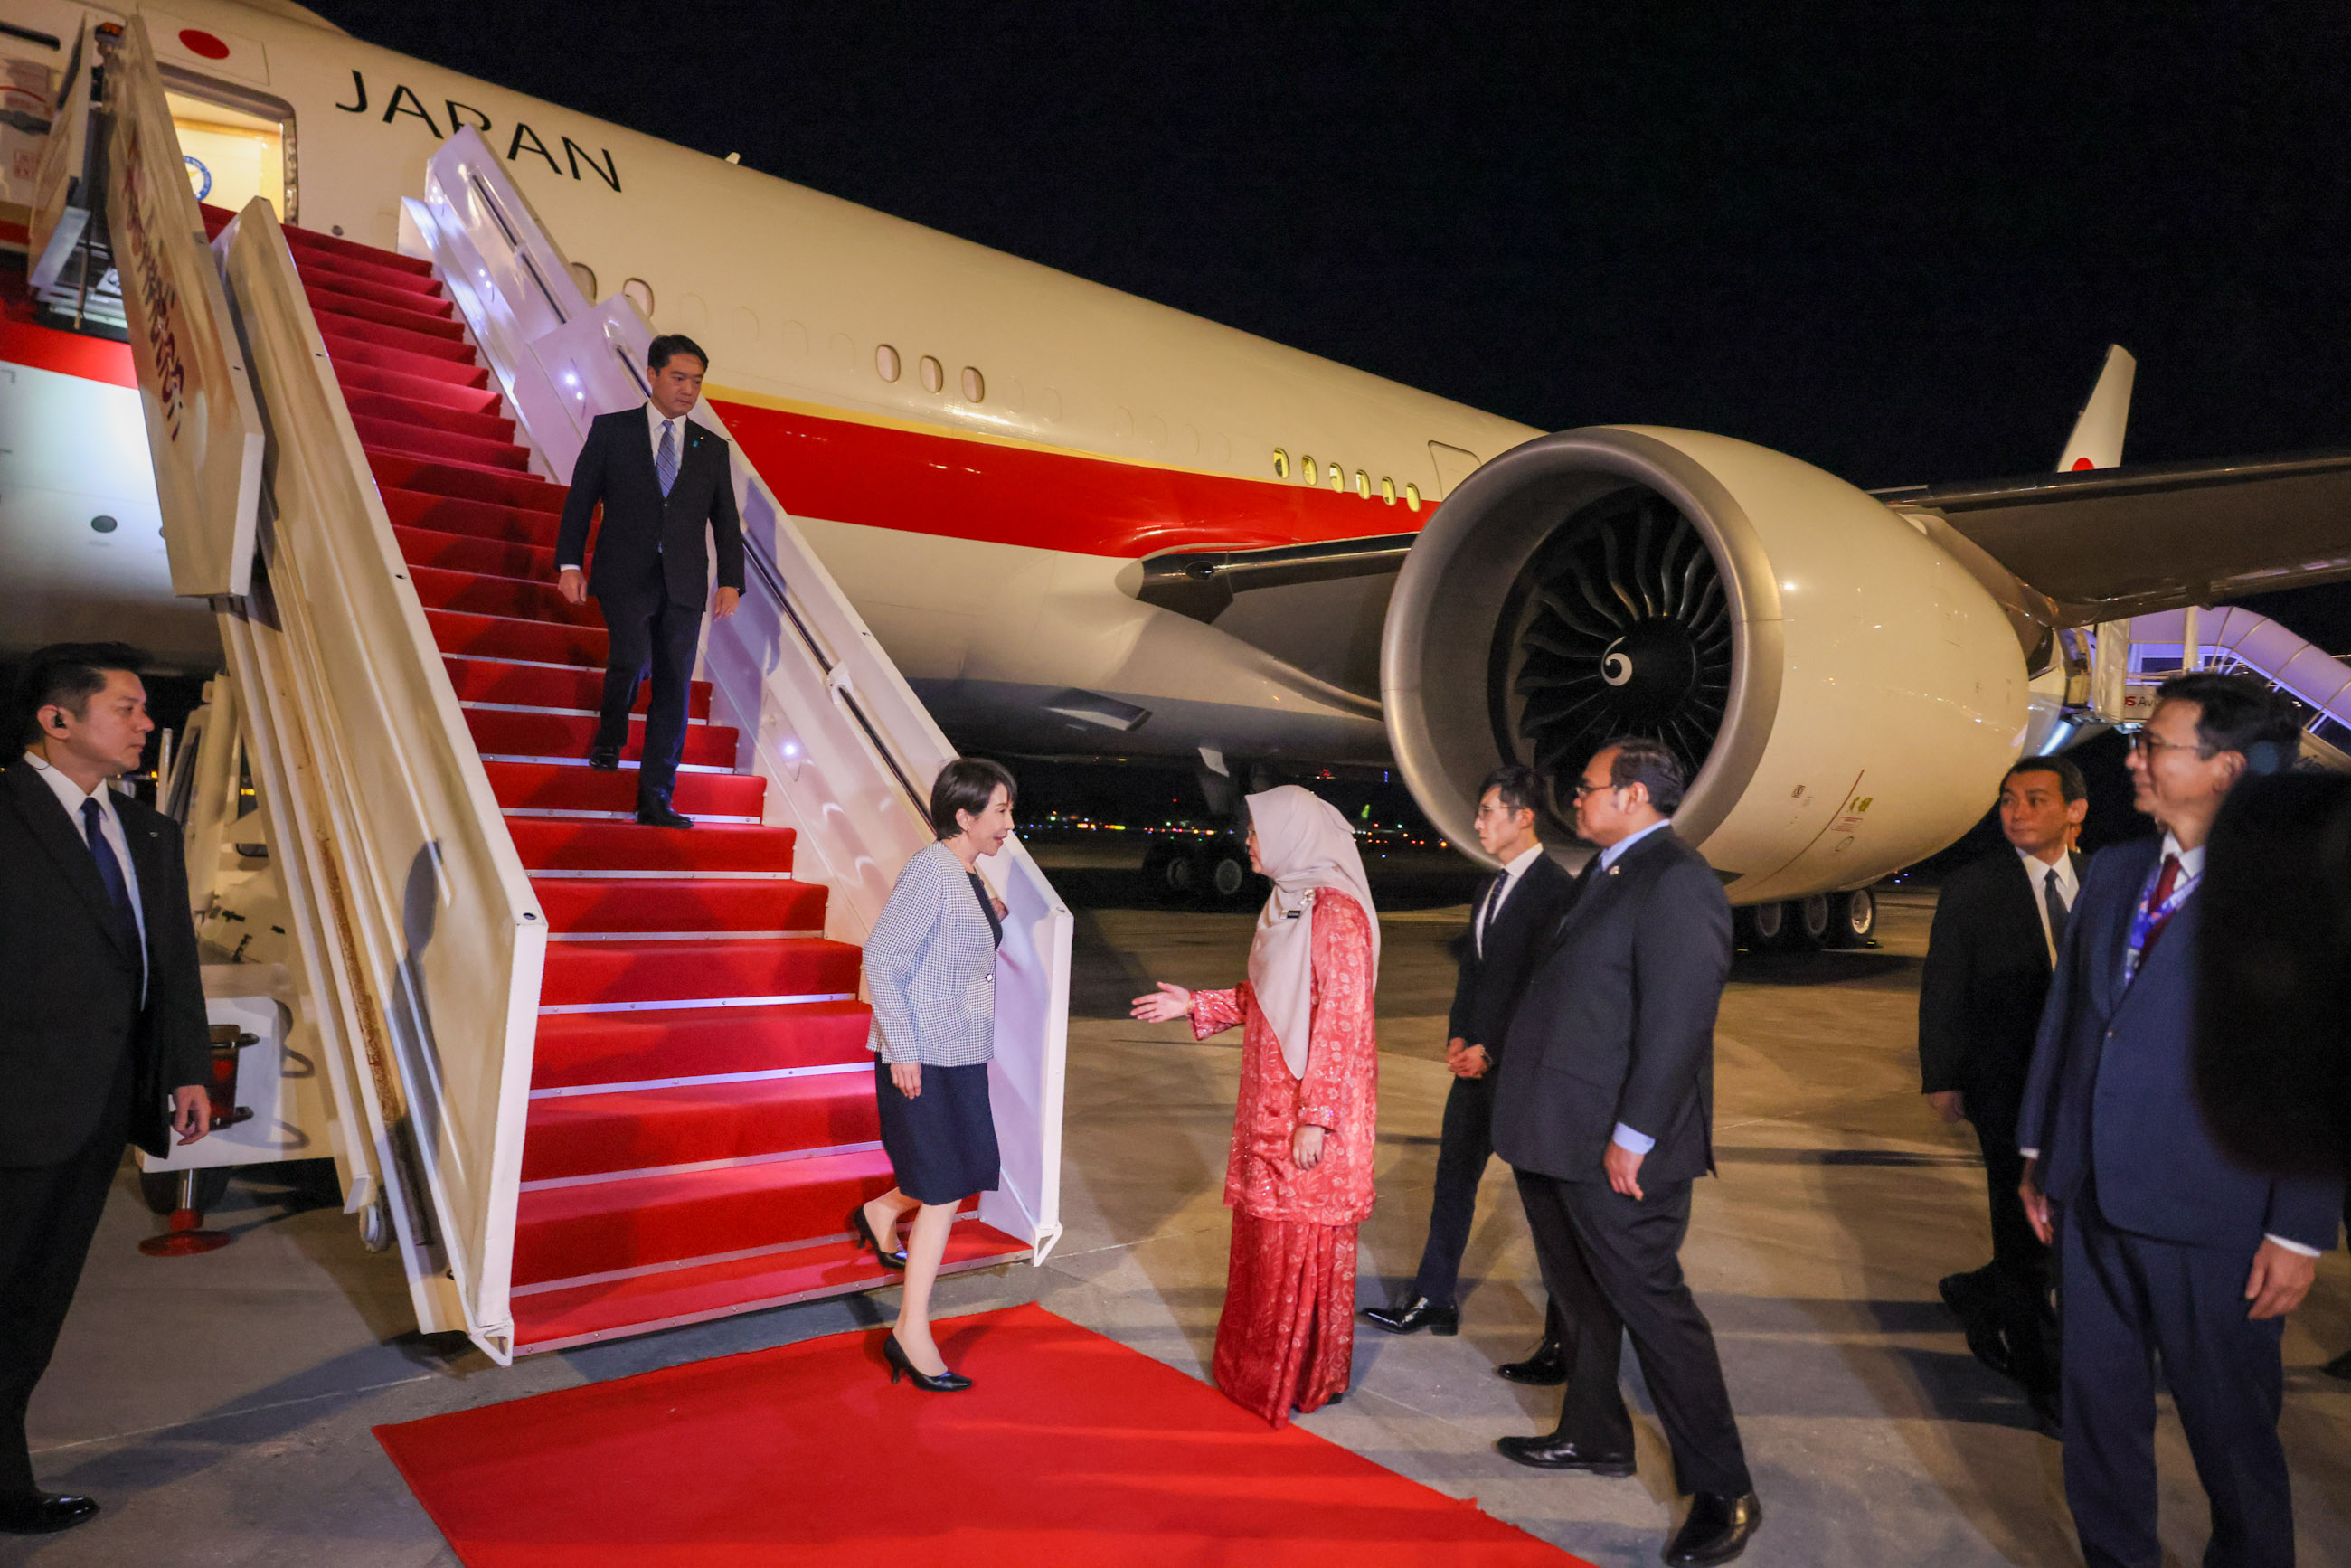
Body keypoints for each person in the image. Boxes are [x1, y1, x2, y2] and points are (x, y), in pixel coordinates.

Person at [2019, 672, 2342, 1568]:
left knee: (2230, 1440)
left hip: (2218, 1219)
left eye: (2154, 745)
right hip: (2089, 1200)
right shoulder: (2118, 869)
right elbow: (2072, 1021)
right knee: (2097, 1423)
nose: (2134, 760)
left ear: (2223, 770)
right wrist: (2040, 1150)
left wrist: (2297, 1230)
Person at [1491, 738, 1761, 1568]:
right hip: (1557, 1131)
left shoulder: (1677, 881)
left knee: (1656, 1313)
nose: (1578, 797)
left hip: (1616, 1145)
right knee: (1579, 1298)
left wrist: (1634, 1136)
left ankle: (1724, 1489)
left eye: (1590, 786)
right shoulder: (1608, 870)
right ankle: (1595, 1435)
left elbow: (1678, 1025)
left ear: (1636, 795)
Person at [1, 644, 211, 1535]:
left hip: (95, 1118)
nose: (145, 721)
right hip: (13, 1108)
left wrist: (188, 1066)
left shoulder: (147, 830)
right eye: (125, 708)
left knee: (33, 1310)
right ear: (57, 720)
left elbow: (172, 964)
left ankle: (5, 1480)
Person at [1131, 786, 1380, 1426]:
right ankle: (1256, 1365)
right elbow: (1265, 997)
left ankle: (1295, 1376)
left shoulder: (1337, 915)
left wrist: (1317, 1116)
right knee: (1265, 1243)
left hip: (1308, 1119)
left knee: (1296, 1245)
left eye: (1258, 830)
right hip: (1269, 1107)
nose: (1247, 840)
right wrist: (1196, 1004)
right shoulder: (1287, 903)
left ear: (1294, 835)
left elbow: (1341, 1023)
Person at [1363, 764, 1574, 1382]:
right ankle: (1434, 1298)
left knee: (1545, 1212)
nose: (1478, 822)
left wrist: (1495, 1050)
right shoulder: (1490, 888)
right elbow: (1474, 974)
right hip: (1473, 1068)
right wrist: (1459, 1035)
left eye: (1488, 811)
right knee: (1451, 1181)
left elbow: (1545, 992)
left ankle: (1563, 1338)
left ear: (1523, 816)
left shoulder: (1555, 892)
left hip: (1521, 1076)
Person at [1917, 755, 2088, 1427]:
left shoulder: (2104, 882)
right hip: (2006, 1085)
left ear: (2075, 811)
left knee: (2071, 1233)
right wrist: (1943, 1075)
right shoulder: (1974, 886)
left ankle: (1983, 1294)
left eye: (2035, 800)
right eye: (2008, 800)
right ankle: (2044, 1380)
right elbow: (1943, 984)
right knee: (2021, 1230)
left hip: (2087, 1092)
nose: (2015, 812)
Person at [854, 758, 1018, 1393]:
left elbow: (963, 942)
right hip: (920, 1057)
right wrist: (900, 1050)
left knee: (961, 1172)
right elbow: (884, 956)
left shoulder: (966, 873)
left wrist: (991, 906)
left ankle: (881, 1208)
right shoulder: (930, 872)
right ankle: (910, 1331)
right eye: (1001, 811)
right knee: (946, 1188)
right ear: (965, 815)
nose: (1009, 823)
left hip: (960, 1054)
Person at [553, 334, 745, 829]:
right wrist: (569, 564)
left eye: (697, 382)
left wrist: (731, 580)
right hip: (624, 573)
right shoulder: (612, 431)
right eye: (679, 378)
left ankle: (656, 796)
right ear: (653, 374)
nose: (687, 390)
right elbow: (580, 501)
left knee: (675, 686)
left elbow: (725, 520)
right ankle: (611, 735)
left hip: (683, 581)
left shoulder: (711, 449)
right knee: (631, 659)